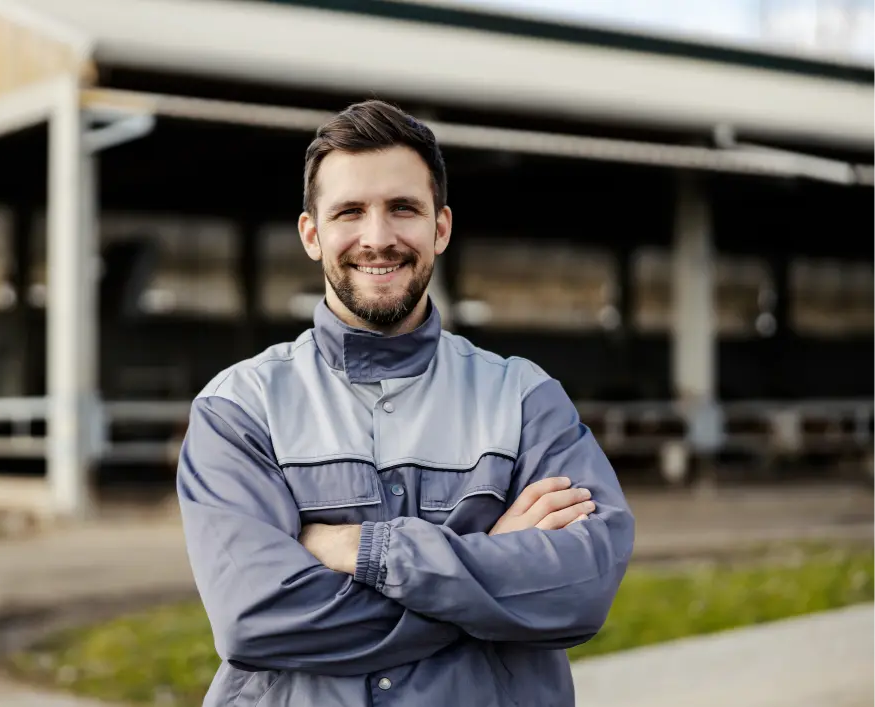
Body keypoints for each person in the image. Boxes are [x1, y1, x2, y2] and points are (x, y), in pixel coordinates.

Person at [176, 100, 635, 707]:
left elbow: (582, 587)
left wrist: (362, 551)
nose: (378, 238)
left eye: (403, 209)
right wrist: (494, 572)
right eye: (349, 212)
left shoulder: (525, 400)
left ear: (440, 227)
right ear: (312, 235)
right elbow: (254, 619)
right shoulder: (239, 410)